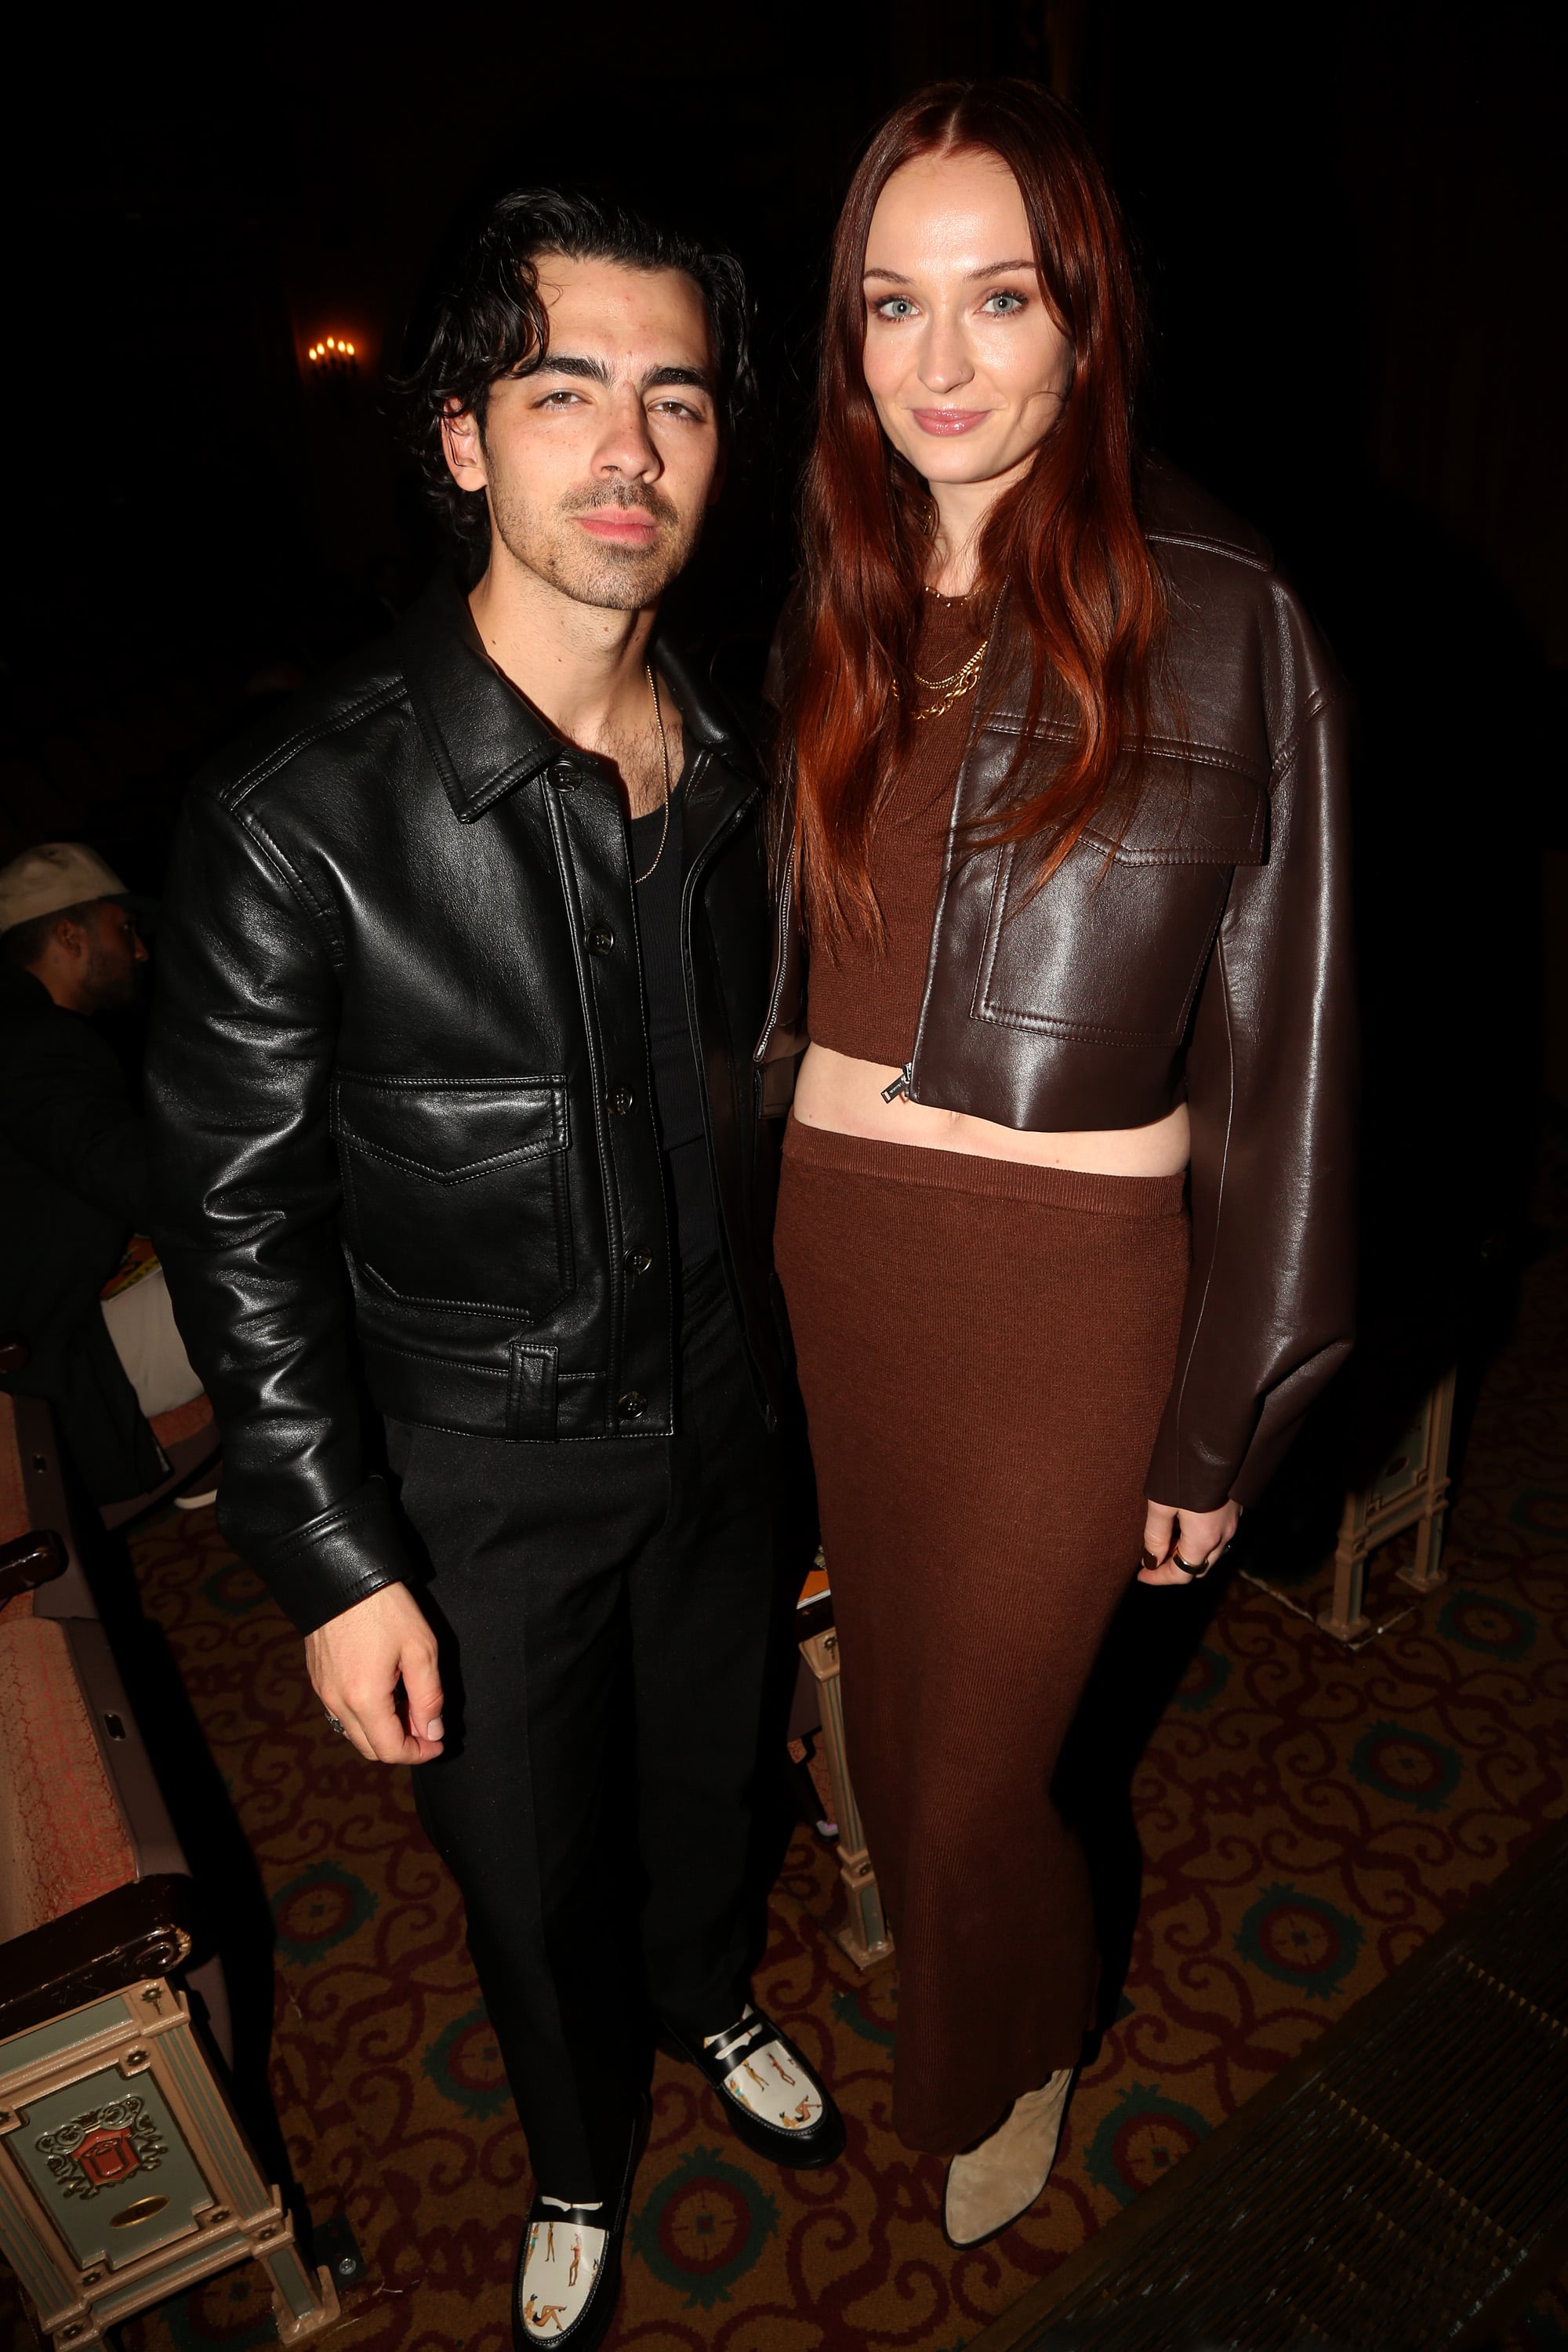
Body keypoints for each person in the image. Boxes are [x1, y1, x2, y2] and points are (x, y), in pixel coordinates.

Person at [146, 189, 841, 2352]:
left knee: (714, 1777)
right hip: (480, 1477)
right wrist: (338, 1558)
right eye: (565, 395)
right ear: (462, 438)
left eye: (678, 400)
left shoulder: (741, 762)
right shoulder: (296, 815)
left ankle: (711, 1999)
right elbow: (236, 1226)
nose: (627, 450)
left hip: (729, 1421)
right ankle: (567, 2148)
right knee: (527, 1878)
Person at [762, 82, 1356, 2248]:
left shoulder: (1222, 606)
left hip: (1065, 1288)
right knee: (900, 1695)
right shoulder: (835, 592)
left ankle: (1010, 2039)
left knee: (981, 1754)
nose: (937, 362)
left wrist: (1236, 1403)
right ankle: (959, 1945)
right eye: (889, 306)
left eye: (994, 298)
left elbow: (1300, 1060)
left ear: (1083, 315)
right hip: (843, 1264)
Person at [0, 842, 204, 1500]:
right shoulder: (36, 1044)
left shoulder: (19, 1031)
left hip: (45, 1331)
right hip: (50, 1368)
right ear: (68, 936)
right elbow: (140, 1177)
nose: (141, 950)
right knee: (300, 1246)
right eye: (123, 929)